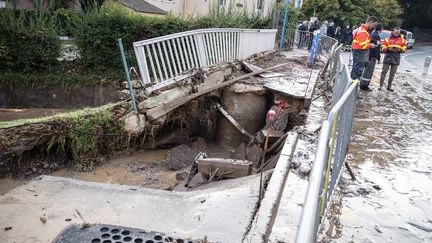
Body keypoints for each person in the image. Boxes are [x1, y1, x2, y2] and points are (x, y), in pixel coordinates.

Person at [350, 16, 378, 82]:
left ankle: (352, 86)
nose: (374, 27)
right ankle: (353, 88)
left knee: (356, 70)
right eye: (374, 25)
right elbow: (362, 44)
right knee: (357, 72)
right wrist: (370, 45)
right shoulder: (363, 31)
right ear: (370, 22)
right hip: (360, 53)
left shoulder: (362, 30)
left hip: (359, 53)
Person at [379, 27, 407, 91]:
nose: (396, 34)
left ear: (399, 33)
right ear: (393, 32)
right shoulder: (387, 39)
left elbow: (404, 49)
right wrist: (388, 49)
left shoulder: (402, 40)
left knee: (392, 74)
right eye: (395, 33)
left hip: (396, 58)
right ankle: (380, 86)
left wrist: (399, 50)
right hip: (388, 57)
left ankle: (389, 87)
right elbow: (382, 48)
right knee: (383, 72)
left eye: (397, 33)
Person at [359, 23, 383, 91]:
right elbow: (377, 48)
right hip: (372, 56)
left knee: (365, 71)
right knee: (369, 72)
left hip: (367, 55)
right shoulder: (376, 36)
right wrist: (378, 58)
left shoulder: (371, 34)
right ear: (381, 29)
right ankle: (364, 86)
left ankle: (362, 84)